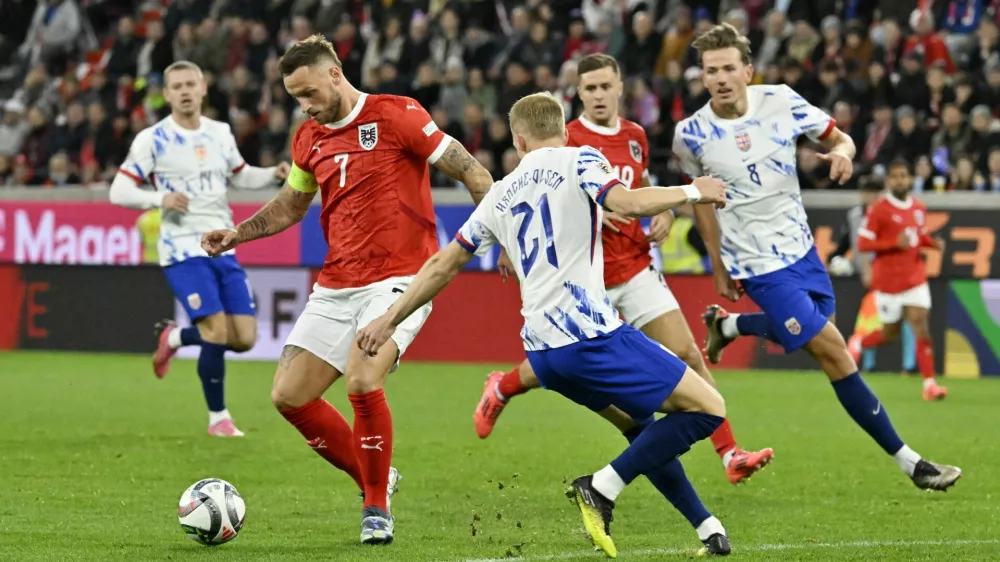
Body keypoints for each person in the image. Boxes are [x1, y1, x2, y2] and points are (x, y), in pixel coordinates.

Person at [356, 92, 733, 558]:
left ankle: (708, 528)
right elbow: (629, 202)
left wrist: (389, 319)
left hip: (546, 356)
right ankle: (601, 487)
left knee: (641, 427)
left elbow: (442, 265)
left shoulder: (500, 192)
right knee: (708, 407)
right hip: (590, 336)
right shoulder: (580, 160)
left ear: (518, 141)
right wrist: (695, 190)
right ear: (565, 129)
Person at [200, 34, 496, 545]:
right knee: (289, 395)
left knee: (361, 379)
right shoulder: (307, 139)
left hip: (403, 278)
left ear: (335, 74)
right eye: (296, 97)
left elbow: (473, 172)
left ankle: (375, 508)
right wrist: (237, 234)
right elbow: (292, 207)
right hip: (338, 283)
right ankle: (374, 475)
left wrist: (501, 237)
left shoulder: (398, 114)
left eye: (309, 93)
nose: (305, 106)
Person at [676, 24, 960, 491]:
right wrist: (718, 261)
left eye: (729, 68)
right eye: (712, 71)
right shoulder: (691, 135)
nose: (721, 78)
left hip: (802, 251)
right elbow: (699, 200)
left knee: (812, 333)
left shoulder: (782, 101)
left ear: (748, 70)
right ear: (703, 78)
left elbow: (838, 137)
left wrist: (845, 153)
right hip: (756, 265)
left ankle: (730, 326)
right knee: (832, 351)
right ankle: (912, 463)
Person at [473, 53, 773, 486]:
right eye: (589, 88)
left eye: (604, 86)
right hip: (582, 279)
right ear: (578, 93)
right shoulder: (564, 137)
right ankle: (502, 387)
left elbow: (642, 184)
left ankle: (730, 454)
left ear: (619, 88)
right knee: (554, 365)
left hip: (633, 266)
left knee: (688, 351)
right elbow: (525, 197)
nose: (598, 95)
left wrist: (665, 212)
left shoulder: (634, 136)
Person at [109, 60, 289, 437]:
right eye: (177, 86)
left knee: (244, 338)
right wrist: (159, 198)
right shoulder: (152, 139)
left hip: (223, 245)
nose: (186, 91)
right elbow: (119, 190)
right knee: (216, 330)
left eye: (191, 83)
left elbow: (241, 176)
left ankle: (174, 337)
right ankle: (218, 419)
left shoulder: (220, 133)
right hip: (180, 249)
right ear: (168, 93)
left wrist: (271, 174)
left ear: (204, 88)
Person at [849, 159, 947, 400]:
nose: (900, 180)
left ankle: (929, 385)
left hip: (915, 278)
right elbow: (862, 244)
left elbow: (916, 236)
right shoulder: (878, 210)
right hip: (888, 283)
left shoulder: (918, 208)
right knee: (889, 334)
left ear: (910, 179)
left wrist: (932, 244)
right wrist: (894, 243)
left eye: (903, 176)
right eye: (895, 177)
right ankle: (858, 343)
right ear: (888, 181)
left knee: (921, 325)